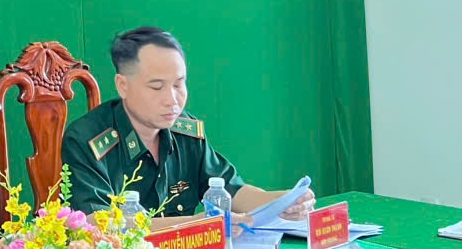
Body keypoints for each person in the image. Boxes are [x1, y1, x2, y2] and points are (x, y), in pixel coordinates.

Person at [62, 27, 315, 225]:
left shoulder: (185, 131)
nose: (172, 99)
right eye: (157, 87)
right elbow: (98, 224)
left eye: (178, 84)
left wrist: (282, 201)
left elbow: (231, 189)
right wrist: (196, 225)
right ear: (123, 86)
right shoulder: (86, 141)